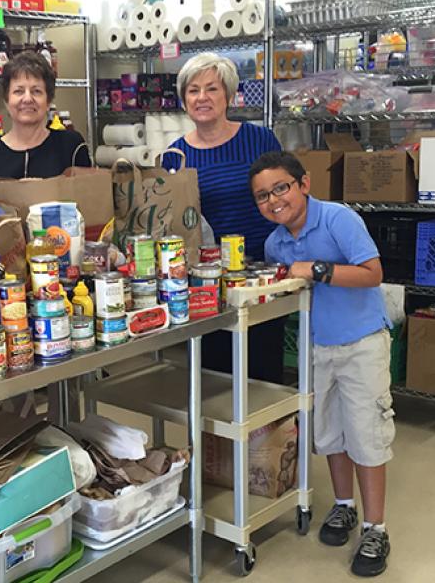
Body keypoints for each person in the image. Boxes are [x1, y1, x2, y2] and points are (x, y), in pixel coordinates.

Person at [249, 151, 393, 578]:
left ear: (303, 184)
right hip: (318, 348)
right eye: (262, 196)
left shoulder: (338, 220)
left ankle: (375, 527)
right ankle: (344, 507)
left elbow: (372, 272)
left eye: (281, 188)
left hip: (362, 342)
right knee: (329, 432)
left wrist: (317, 268)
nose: (273, 200)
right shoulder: (274, 243)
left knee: (366, 432)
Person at [162, 52, 284, 382]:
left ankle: (271, 436)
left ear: (229, 95)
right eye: (193, 90)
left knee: (262, 376)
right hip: (205, 283)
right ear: (184, 99)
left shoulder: (260, 140)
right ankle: (214, 437)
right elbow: (172, 221)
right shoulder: (175, 156)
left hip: (261, 275)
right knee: (213, 379)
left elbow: (285, 200)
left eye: (212, 89)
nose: (202, 98)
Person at [0, 51, 90, 197]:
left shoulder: (71, 146)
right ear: (6, 100)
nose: (27, 99)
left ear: (48, 100)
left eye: (36, 91)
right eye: (18, 91)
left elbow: (89, 204)